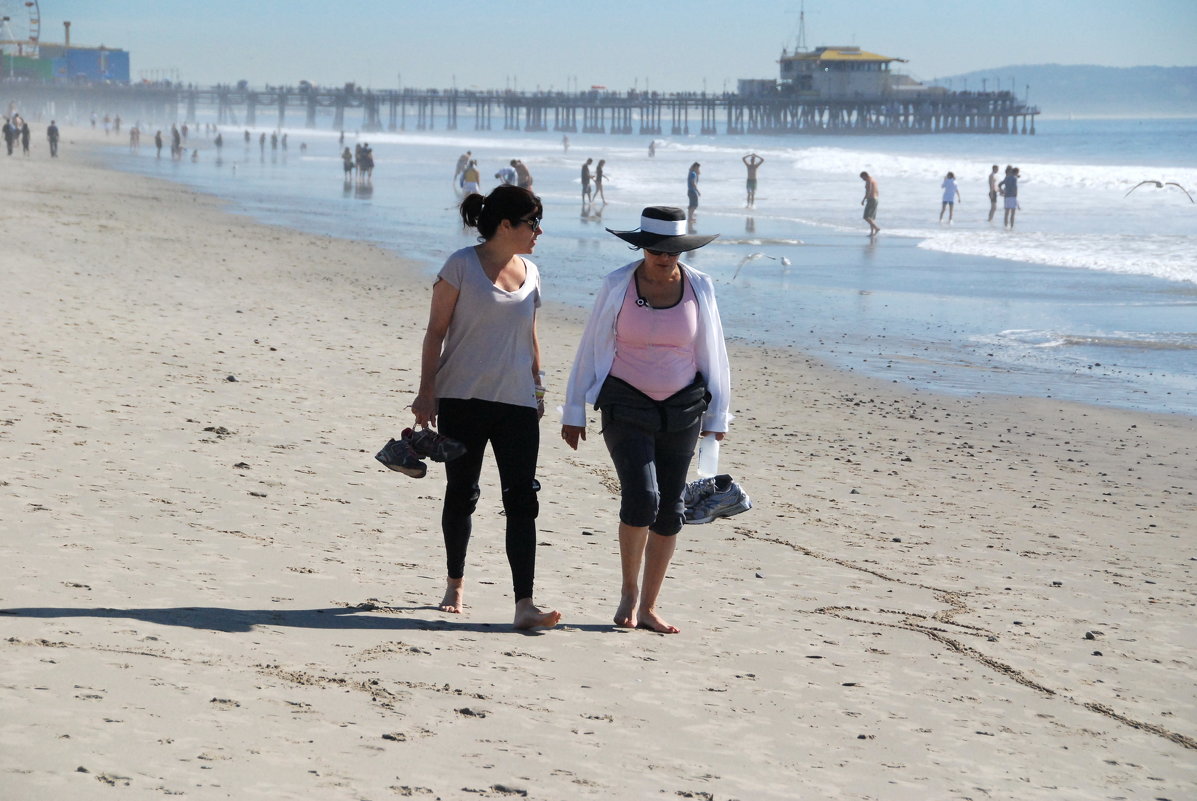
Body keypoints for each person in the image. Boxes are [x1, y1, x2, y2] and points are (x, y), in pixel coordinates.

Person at [561, 206, 733, 634]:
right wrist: (574, 410)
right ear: (642, 247)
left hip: (684, 407)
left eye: (672, 250)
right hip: (624, 400)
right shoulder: (617, 284)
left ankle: (651, 606)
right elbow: (591, 345)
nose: (664, 257)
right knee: (642, 498)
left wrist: (718, 415)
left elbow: (713, 352)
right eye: (656, 249)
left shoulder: (700, 287)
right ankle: (628, 594)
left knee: (670, 510)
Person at [412, 185, 560, 631]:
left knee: (522, 500)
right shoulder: (460, 266)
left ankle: (524, 603)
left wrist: (538, 387)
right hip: (462, 398)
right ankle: (455, 581)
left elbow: (530, 335)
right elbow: (435, 331)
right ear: (505, 225)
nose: (538, 231)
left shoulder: (531, 272)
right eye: (532, 222)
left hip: (516, 402)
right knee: (463, 493)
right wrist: (426, 392)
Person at [860, 171, 880, 236]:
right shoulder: (874, 180)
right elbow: (877, 191)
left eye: (863, 178)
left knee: (866, 217)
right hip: (876, 199)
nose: (863, 180)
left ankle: (876, 228)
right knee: (871, 217)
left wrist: (864, 199)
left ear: (865, 176)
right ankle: (872, 232)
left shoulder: (869, 180)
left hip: (871, 199)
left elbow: (869, 191)